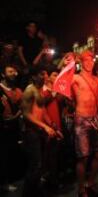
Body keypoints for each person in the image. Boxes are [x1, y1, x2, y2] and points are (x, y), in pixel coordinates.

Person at [71, 50, 98, 197]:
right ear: (81, 63)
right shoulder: (75, 78)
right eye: (86, 60)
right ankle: (81, 189)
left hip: (95, 118)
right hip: (82, 119)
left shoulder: (97, 80)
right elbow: (62, 81)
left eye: (91, 60)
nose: (89, 62)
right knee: (83, 157)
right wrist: (71, 63)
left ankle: (91, 182)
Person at [21, 66, 60, 197]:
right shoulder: (29, 90)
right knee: (35, 166)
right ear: (33, 77)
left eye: (44, 74)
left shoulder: (39, 91)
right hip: (31, 133)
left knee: (39, 165)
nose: (44, 77)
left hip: (39, 132)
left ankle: (36, 192)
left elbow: (43, 112)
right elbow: (26, 114)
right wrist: (44, 127)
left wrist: (52, 126)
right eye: (41, 75)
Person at [0, 64, 22, 192]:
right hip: (2, 127)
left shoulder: (18, 90)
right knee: (3, 154)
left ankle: (11, 179)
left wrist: (17, 115)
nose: (14, 73)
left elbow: (24, 106)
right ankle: (4, 182)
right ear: (3, 74)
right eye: (10, 71)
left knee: (12, 153)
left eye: (15, 71)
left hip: (14, 128)